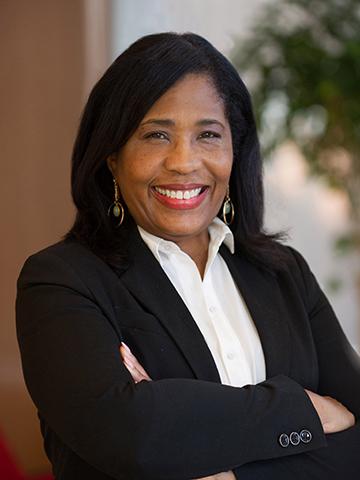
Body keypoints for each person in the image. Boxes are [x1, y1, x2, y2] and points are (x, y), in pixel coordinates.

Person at [16, 32, 360, 480]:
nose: (184, 162)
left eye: (208, 135)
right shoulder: (61, 281)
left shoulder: (283, 272)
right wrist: (303, 409)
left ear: (235, 151)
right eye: (156, 135)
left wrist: (233, 472)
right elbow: (129, 434)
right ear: (111, 156)